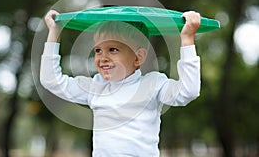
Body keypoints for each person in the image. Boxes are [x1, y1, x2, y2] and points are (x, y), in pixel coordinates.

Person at [40, 9, 201, 157]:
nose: (103, 57)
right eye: (98, 50)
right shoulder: (96, 87)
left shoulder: (153, 84)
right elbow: (51, 81)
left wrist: (187, 39)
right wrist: (54, 33)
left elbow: (188, 92)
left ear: (138, 57)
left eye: (113, 49)